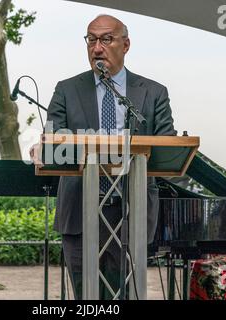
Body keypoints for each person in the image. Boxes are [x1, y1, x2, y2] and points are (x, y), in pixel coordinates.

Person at [31, 14, 176, 299]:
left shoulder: (154, 93)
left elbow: (167, 147)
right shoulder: (66, 89)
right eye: (92, 39)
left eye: (106, 39)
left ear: (126, 44)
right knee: (87, 298)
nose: (97, 48)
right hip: (80, 211)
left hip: (131, 211)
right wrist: (44, 145)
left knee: (126, 296)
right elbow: (54, 138)